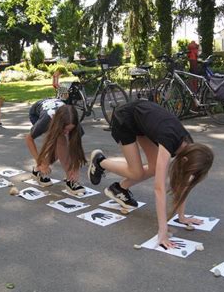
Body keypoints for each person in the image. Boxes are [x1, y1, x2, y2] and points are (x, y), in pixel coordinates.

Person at [88, 101, 214, 248]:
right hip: (125, 120)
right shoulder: (170, 141)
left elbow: (184, 182)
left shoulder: (190, 148)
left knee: (154, 168)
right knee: (136, 172)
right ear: (185, 160)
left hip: (142, 120)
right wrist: (162, 229)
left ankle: (119, 189)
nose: (188, 176)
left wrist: (182, 216)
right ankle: (100, 162)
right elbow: (159, 188)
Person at [25, 99, 86, 195]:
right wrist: (40, 162)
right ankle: (41, 168)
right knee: (60, 141)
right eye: (65, 129)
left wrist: (75, 170)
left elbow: (76, 148)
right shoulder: (45, 121)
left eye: (70, 130)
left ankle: (38, 171)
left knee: (63, 142)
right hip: (36, 113)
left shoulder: (75, 124)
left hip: (57, 113)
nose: (67, 132)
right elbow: (29, 139)